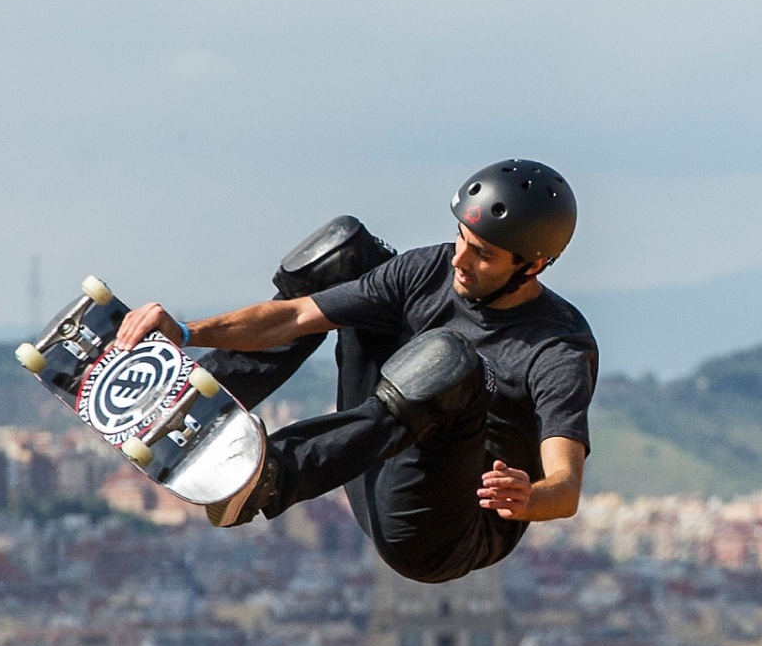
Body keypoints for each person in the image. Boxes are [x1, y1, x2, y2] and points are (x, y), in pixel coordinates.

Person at [111, 160, 596, 584]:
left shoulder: (559, 348)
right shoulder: (428, 271)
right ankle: (191, 409)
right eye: (461, 240)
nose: (459, 261)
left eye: (483, 255)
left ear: (531, 267)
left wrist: (530, 498)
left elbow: (565, 487)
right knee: (342, 254)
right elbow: (296, 316)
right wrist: (185, 331)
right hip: (370, 460)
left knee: (453, 360)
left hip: (440, 530)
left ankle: (266, 479)